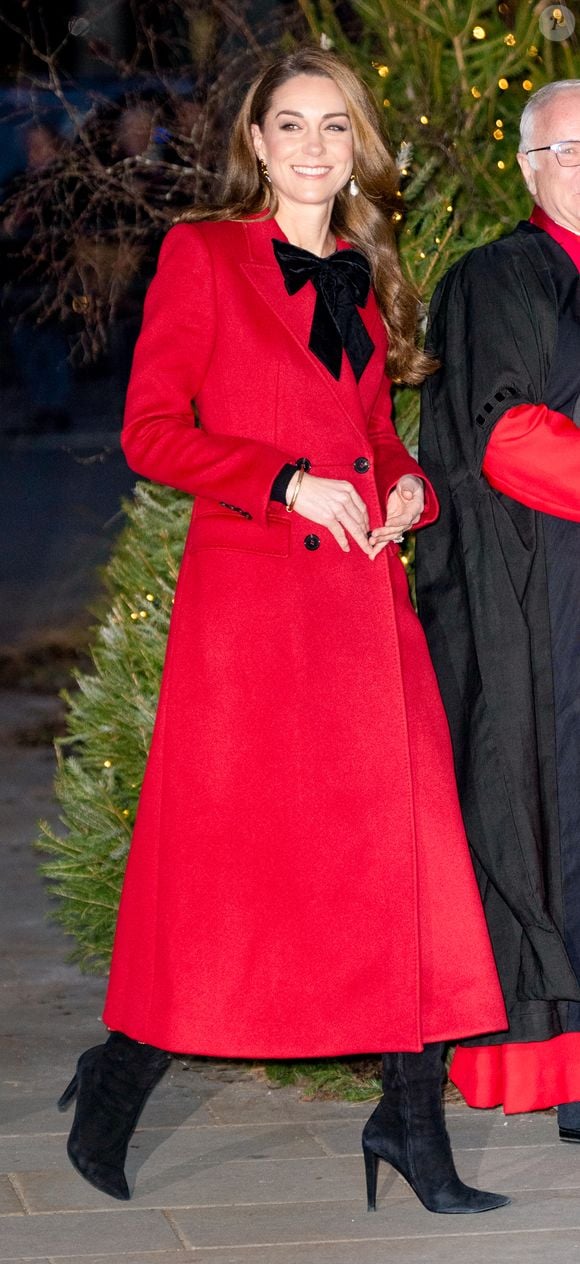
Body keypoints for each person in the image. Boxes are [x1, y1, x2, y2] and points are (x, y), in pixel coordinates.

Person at [58, 47, 509, 1212]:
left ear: (357, 147)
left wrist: (407, 484)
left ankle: (412, 1127)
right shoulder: (202, 255)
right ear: (254, 142)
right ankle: (115, 1080)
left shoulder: (364, 270)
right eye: (291, 125)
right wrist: (283, 480)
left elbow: (373, 433)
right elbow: (154, 431)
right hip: (255, 616)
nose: (314, 147)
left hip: (365, 611)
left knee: (407, 864)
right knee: (222, 871)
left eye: (334, 128)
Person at [416, 79, 580, 1131]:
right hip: (539, 595)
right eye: (569, 149)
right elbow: (505, 436)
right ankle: (564, 1067)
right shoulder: (497, 276)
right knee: (545, 811)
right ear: (528, 168)